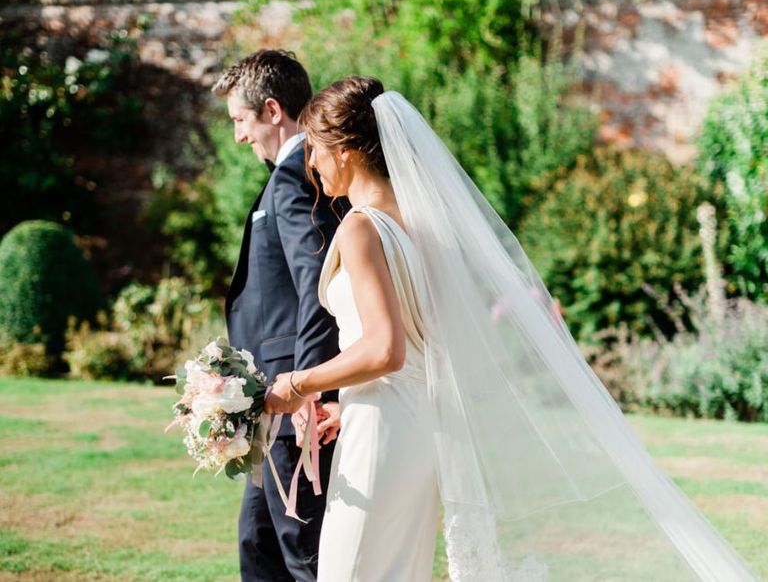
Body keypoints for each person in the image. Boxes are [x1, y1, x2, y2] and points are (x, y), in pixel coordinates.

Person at [265, 76, 759, 582]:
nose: (313, 165)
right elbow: (422, 348)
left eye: (317, 150)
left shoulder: (360, 226)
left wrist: (298, 384)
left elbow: (386, 349)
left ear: (345, 149)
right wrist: (348, 406)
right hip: (409, 429)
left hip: (385, 434)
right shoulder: (420, 225)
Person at [211, 50, 346, 582]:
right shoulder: (295, 174)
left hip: (294, 404)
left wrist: (308, 392)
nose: (239, 137)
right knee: (260, 545)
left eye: (240, 121)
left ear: (271, 110)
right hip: (274, 401)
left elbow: (319, 290)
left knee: (300, 554)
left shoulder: (296, 177)